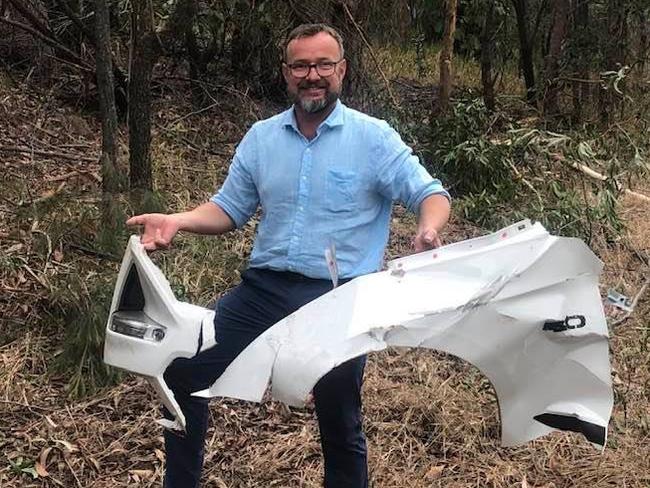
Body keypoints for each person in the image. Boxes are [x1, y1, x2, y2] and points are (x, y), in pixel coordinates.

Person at [127, 23, 451, 488]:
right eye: (301, 65)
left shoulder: (374, 138)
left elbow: (431, 194)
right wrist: (180, 219)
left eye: (323, 64)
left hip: (339, 299)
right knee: (182, 372)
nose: (312, 75)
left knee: (339, 417)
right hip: (263, 291)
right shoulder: (262, 138)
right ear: (286, 73)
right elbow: (228, 209)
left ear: (342, 70)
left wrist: (428, 227)